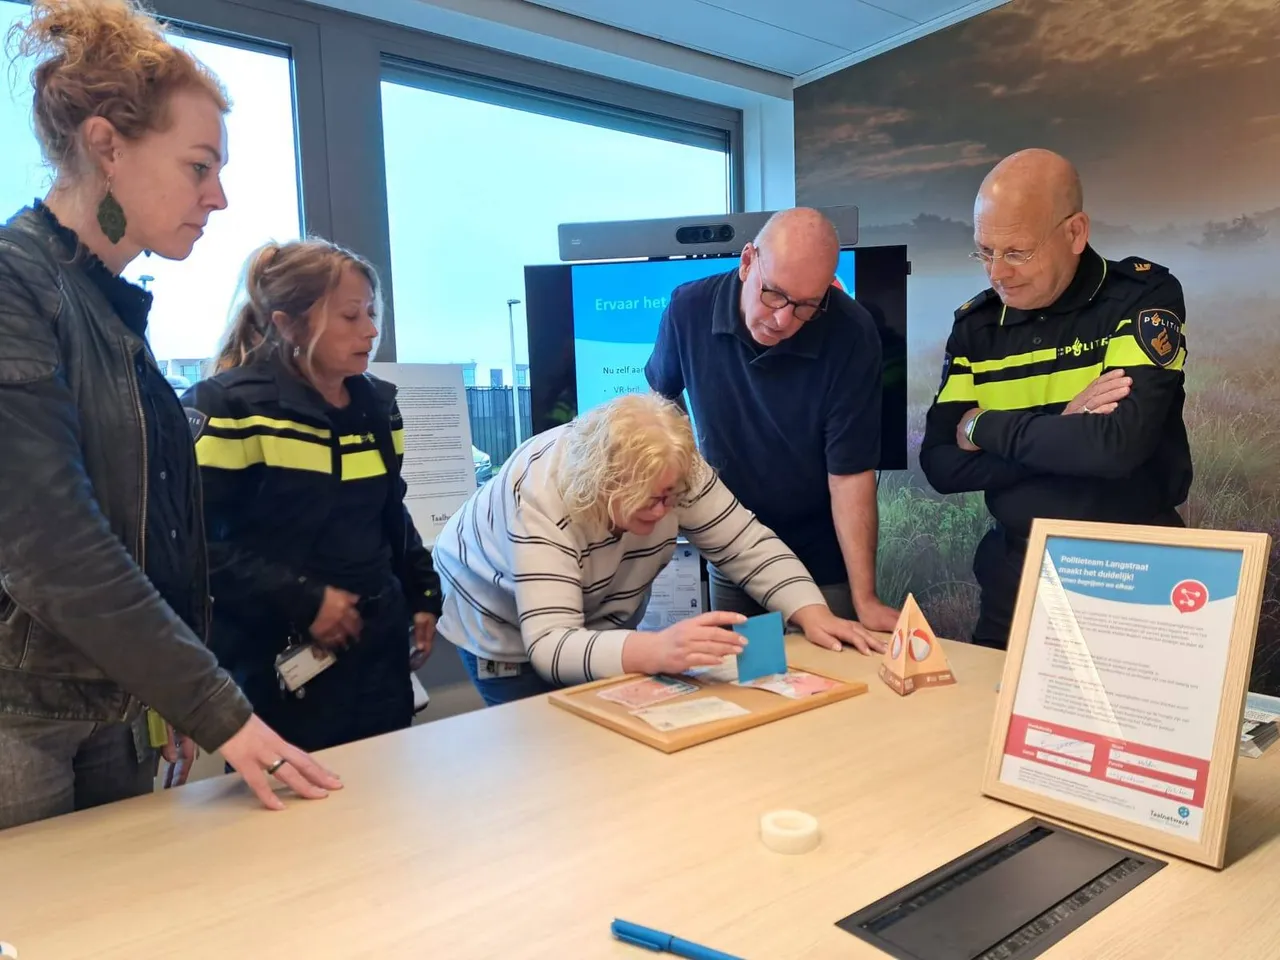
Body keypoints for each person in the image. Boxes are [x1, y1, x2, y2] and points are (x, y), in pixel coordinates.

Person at [0, 0, 339, 831]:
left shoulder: (114, 314)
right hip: (21, 721)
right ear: (106, 146)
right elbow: (52, 545)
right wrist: (215, 705)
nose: (218, 197)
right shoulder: (15, 285)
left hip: (112, 707)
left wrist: (168, 699)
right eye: (198, 166)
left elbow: (155, 536)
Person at [432, 392, 883, 708]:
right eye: (650, 499)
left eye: (671, 496)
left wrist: (811, 611)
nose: (665, 511)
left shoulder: (672, 464)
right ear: (601, 484)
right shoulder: (540, 499)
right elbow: (551, 646)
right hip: (499, 615)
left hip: (595, 609)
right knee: (545, 752)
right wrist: (654, 650)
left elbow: (746, 543)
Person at [920, 148, 1192, 649]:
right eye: (984, 251)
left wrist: (984, 428)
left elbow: (1113, 449)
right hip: (1015, 580)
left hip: (1135, 573)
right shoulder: (978, 326)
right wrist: (1064, 422)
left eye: (1016, 252)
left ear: (1075, 233)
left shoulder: (1140, 298)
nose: (997, 273)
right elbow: (940, 464)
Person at [183, 240, 443, 752]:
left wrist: (423, 595)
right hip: (278, 661)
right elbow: (193, 547)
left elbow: (391, 513)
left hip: (378, 653)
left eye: (371, 313)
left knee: (388, 801)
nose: (370, 330)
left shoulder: (378, 407)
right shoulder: (231, 408)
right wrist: (305, 599)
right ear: (288, 324)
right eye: (350, 316)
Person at [644, 208, 898, 649]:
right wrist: (691, 474)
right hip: (734, 545)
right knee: (745, 679)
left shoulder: (850, 332)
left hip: (821, 554)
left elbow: (850, 475)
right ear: (747, 262)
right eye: (775, 295)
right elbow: (660, 398)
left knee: (831, 680)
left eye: (806, 306)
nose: (784, 320)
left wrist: (865, 598)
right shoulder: (688, 309)